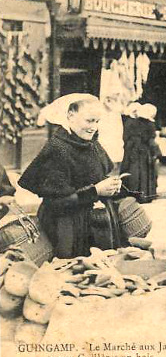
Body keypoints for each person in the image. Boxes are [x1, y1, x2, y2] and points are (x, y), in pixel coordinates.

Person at [19, 97, 124, 258]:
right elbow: (56, 202)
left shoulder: (92, 144)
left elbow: (98, 176)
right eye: (89, 121)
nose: (93, 128)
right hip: (67, 229)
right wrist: (95, 191)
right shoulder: (58, 149)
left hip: (94, 224)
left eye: (97, 121)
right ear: (70, 116)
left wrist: (111, 185)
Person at [121, 103, 161, 201]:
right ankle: (145, 195)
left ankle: (133, 195)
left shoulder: (129, 122)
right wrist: (157, 152)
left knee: (134, 172)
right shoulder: (149, 124)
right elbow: (151, 140)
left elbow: (125, 137)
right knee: (144, 173)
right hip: (144, 151)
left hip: (132, 150)